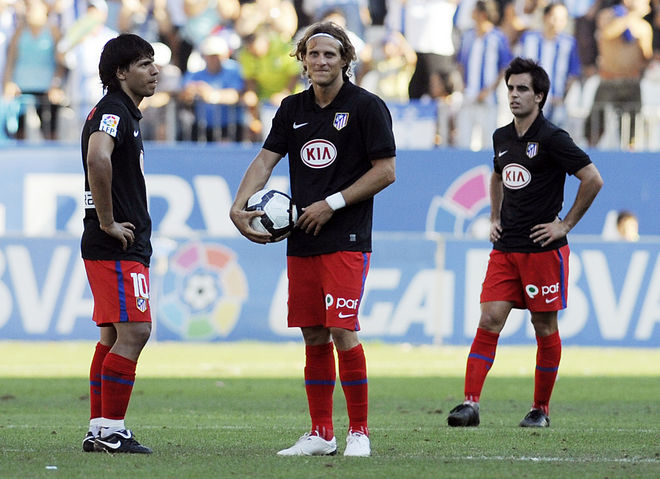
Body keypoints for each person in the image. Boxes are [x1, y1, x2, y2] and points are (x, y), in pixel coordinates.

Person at [229, 21, 396, 456]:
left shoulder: (366, 107)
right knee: (314, 334)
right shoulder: (292, 109)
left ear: (346, 60)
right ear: (302, 60)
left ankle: (359, 432)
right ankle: (322, 433)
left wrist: (332, 203)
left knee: (343, 329)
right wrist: (238, 204)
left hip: (347, 235)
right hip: (302, 237)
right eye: (313, 54)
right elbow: (266, 160)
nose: (320, 61)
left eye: (330, 54)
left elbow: (386, 171)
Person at [447, 57, 603, 429]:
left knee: (544, 327)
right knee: (489, 318)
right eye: (511, 89)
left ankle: (540, 410)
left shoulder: (553, 138)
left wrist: (564, 225)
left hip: (542, 252)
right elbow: (498, 176)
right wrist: (494, 217)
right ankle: (470, 404)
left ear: (540, 96)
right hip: (506, 249)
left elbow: (593, 179)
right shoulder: (502, 136)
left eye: (522, 90)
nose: (514, 96)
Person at [80, 33, 158, 454]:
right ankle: (112, 431)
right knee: (136, 331)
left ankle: (100, 427)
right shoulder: (113, 111)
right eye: (144, 64)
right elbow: (97, 157)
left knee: (113, 335)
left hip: (114, 245)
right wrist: (108, 221)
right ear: (121, 72)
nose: (154, 70)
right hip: (116, 245)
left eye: (153, 63)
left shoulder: (122, 112)